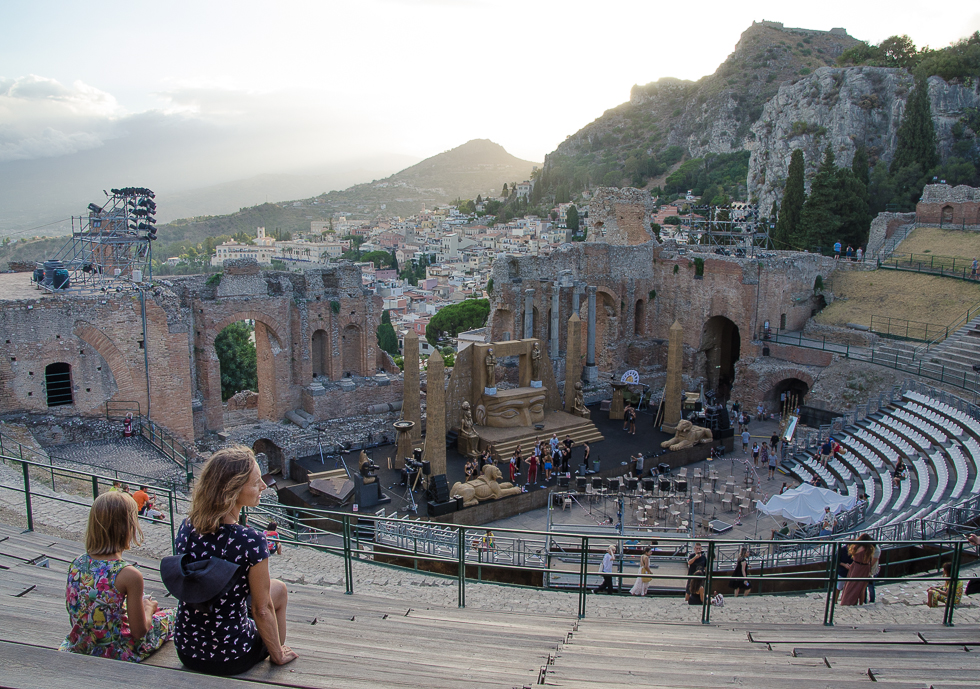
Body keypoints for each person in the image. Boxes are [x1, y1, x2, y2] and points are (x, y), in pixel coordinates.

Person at [172, 446, 297, 675]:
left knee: (272, 589)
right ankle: (278, 650)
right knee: (277, 592)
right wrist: (277, 656)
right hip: (230, 656)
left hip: (187, 649)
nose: (263, 486)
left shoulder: (187, 527)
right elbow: (261, 609)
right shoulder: (250, 541)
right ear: (233, 490)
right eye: (256, 482)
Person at [60, 491, 176, 661]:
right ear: (128, 527)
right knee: (173, 614)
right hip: (117, 651)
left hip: (82, 645)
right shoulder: (129, 574)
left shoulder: (76, 564)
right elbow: (139, 631)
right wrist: (149, 609)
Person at [840, 534, 875, 606]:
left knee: (852, 585)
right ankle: (860, 603)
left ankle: (848, 601)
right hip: (864, 567)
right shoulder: (869, 548)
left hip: (857, 566)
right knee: (861, 586)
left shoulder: (857, 547)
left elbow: (853, 553)